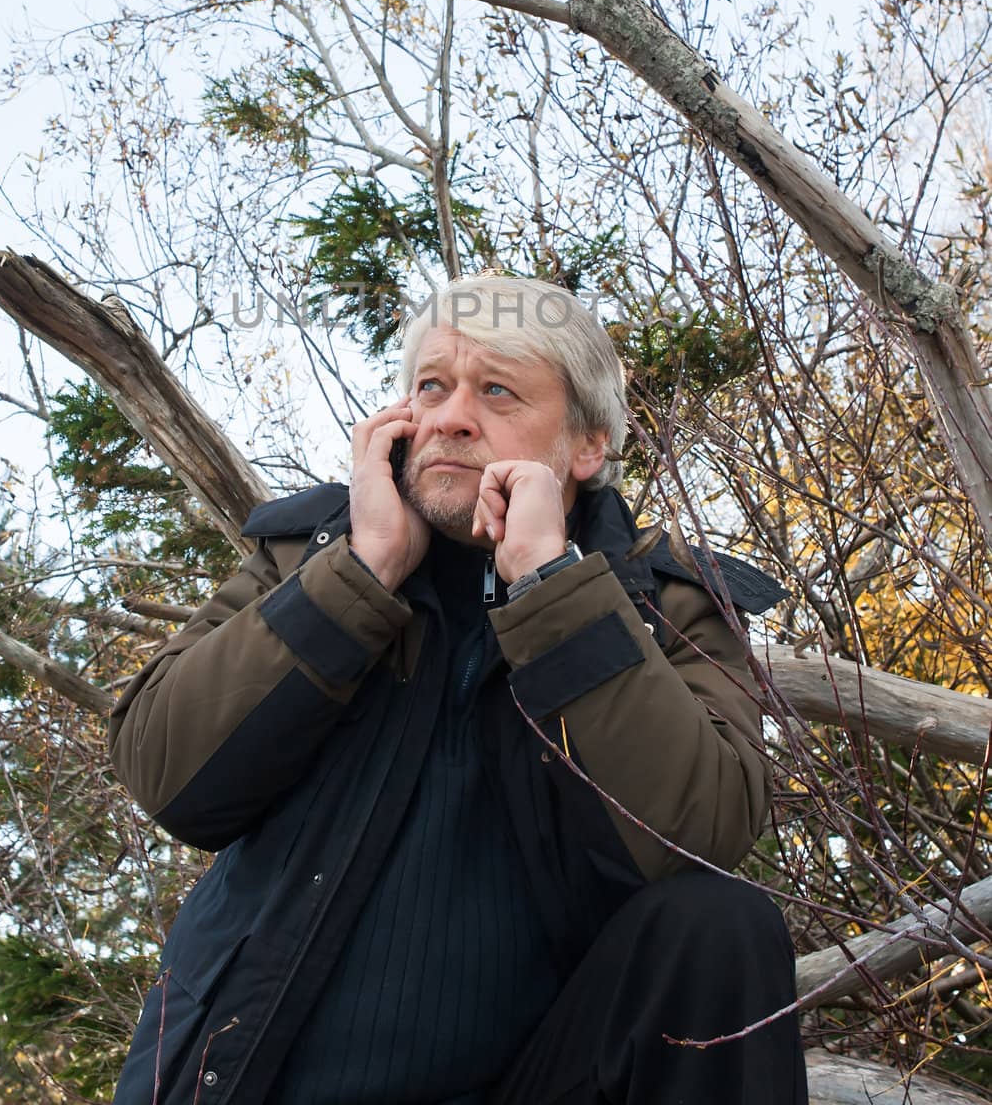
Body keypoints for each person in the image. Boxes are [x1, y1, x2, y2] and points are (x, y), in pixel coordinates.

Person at [109, 275, 807, 1105]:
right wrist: (361, 573)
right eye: (431, 386)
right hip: (252, 1080)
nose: (449, 416)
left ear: (586, 446)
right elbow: (164, 775)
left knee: (720, 925)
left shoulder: (668, 602)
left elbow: (701, 830)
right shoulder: (305, 557)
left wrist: (551, 586)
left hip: (538, 1082)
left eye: (497, 390)